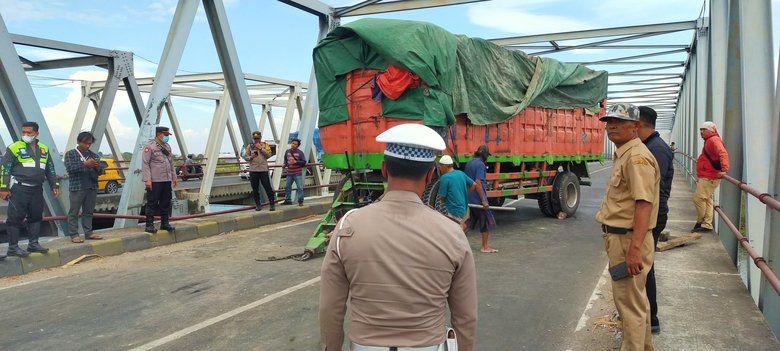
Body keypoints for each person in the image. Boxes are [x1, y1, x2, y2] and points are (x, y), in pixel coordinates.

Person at [319, 123, 477, 351]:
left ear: (384, 169)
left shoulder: (347, 227)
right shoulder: (453, 234)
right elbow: (466, 317)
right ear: (431, 173)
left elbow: (330, 309)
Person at [596, 103, 660, 351]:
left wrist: (634, 249)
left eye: (620, 122)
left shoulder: (635, 157)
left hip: (628, 241)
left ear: (635, 126)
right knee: (636, 302)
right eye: (609, 122)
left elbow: (644, 204)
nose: (612, 127)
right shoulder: (626, 152)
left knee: (628, 306)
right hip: (625, 239)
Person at [637, 106, 674, 334]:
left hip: (654, 216)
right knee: (644, 265)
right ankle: (647, 316)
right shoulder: (650, 146)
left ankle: (652, 318)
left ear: (640, 124)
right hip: (653, 214)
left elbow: (651, 192)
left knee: (645, 266)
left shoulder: (656, 150)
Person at [0, 121, 60, 257]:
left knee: (36, 216)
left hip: (37, 189)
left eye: (29, 133)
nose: (25, 135)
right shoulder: (14, 147)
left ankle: (33, 244)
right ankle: (13, 248)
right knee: (15, 218)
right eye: (23, 132)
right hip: (19, 188)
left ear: (36, 134)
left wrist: (54, 184)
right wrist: (3, 188)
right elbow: (4, 168)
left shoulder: (44, 149)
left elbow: (50, 168)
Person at [64, 131, 104, 243]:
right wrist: (85, 164)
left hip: (91, 186)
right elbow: (70, 169)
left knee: (89, 211)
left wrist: (98, 167)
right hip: (77, 187)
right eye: (85, 143)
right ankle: (74, 234)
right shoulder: (70, 154)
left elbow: (101, 172)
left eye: (89, 143)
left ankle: (89, 232)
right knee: (74, 211)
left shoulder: (93, 155)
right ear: (78, 142)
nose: (87, 145)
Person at [693, 121, 729, 233]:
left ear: (711, 130)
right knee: (707, 200)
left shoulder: (713, 140)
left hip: (709, 176)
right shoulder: (710, 140)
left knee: (698, 199)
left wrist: (724, 169)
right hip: (709, 174)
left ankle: (700, 221)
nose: (701, 132)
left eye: (704, 129)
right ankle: (707, 224)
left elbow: (723, 153)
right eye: (700, 129)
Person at [436, 155, 488, 230]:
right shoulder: (460, 173)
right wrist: (465, 194)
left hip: (453, 210)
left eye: (440, 166)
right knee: (460, 227)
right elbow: (474, 184)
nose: (440, 169)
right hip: (464, 208)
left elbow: (442, 197)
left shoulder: (445, 177)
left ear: (444, 166)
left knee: (455, 231)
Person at [142, 126, 178, 234]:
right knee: (152, 202)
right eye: (165, 135)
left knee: (166, 202)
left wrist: (174, 177)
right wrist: (147, 180)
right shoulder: (150, 147)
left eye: (168, 135)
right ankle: (149, 225)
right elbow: (145, 164)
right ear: (159, 134)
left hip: (166, 179)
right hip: (155, 180)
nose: (167, 137)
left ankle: (165, 223)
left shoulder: (167, 147)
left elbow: (171, 163)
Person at [464, 145, 497, 253]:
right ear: (484, 155)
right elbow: (478, 183)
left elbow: (468, 182)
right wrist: (484, 200)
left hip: (470, 198)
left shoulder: (469, 163)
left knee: (469, 222)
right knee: (485, 222)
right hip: (478, 199)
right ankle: (485, 247)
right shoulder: (481, 165)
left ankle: (453, 241)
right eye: (487, 155)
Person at [243, 131, 275, 211]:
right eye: (254, 138)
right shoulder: (250, 146)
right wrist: (251, 157)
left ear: (260, 138)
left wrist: (261, 148)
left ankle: (272, 204)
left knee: (267, 187)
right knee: (255, 188)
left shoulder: (265, 145)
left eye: (257, 138)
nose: (256, 140)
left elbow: (269, 155)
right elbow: (245, 157)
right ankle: (258, 204)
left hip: (263, 169)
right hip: (253, 170)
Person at [281, 138, 306, 206]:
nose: (293, 145)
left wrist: (296, 162)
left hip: (297, 173)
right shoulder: (287, 151)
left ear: (297, 146)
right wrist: (284, 164)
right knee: (287, 187)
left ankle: (300, 201)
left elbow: (304, 162)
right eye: (292, 143)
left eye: (295, 144)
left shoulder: (300, 153)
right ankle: (288, 200)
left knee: (300, 187)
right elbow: (286, 160)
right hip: (289, 172)